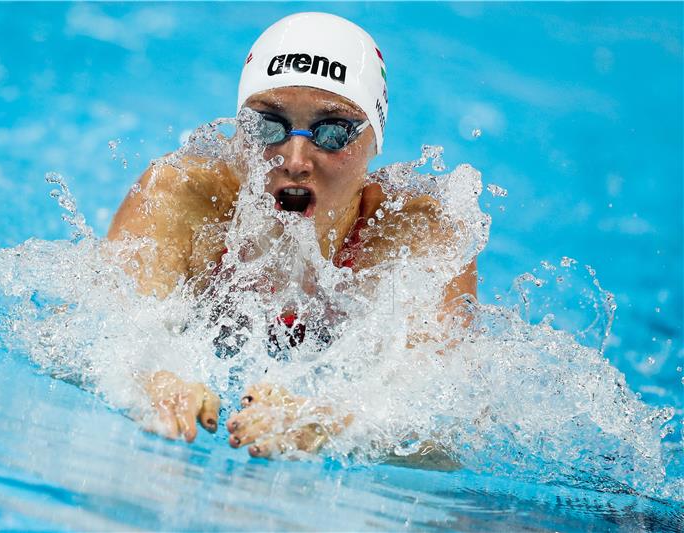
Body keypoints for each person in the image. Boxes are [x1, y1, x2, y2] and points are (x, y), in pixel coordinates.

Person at [108, 12, 476, 458]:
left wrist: (325, 422)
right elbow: (100, 335)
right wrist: (156, 380)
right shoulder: (182, 197)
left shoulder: (412, 231)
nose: (296, 159)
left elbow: (442, 423)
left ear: (374, 143)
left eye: (333, 131)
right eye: (268, 126)